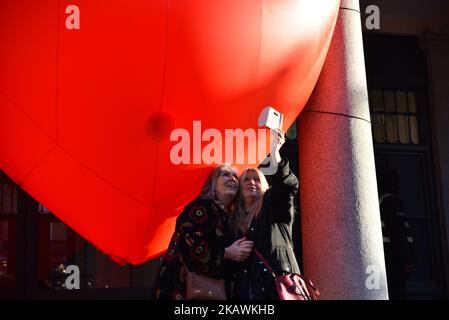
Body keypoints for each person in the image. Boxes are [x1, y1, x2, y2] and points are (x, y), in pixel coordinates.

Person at [151, 164, 253, 300]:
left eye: (235, 176)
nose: (233, 179)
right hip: (181, 290)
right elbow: (188, 242)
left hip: (210, 293)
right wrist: (227, 253)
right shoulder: (203, 205)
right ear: (213, 185)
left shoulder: (227, 217)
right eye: (225, 175)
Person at [225, 129, 300, 300]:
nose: (252, 182)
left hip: (279, 291)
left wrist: (276, 156)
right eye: (246, 179)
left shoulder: (274, 206)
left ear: (265, 185)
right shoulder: (232, 222)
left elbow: (288, 188)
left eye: (257, 179)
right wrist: (228, 253)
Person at [378, 168, 414, 300]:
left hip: (390, 259)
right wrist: (406, 259)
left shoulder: (384, 202)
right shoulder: (391, 202)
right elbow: (399, 233)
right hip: (394, 260)